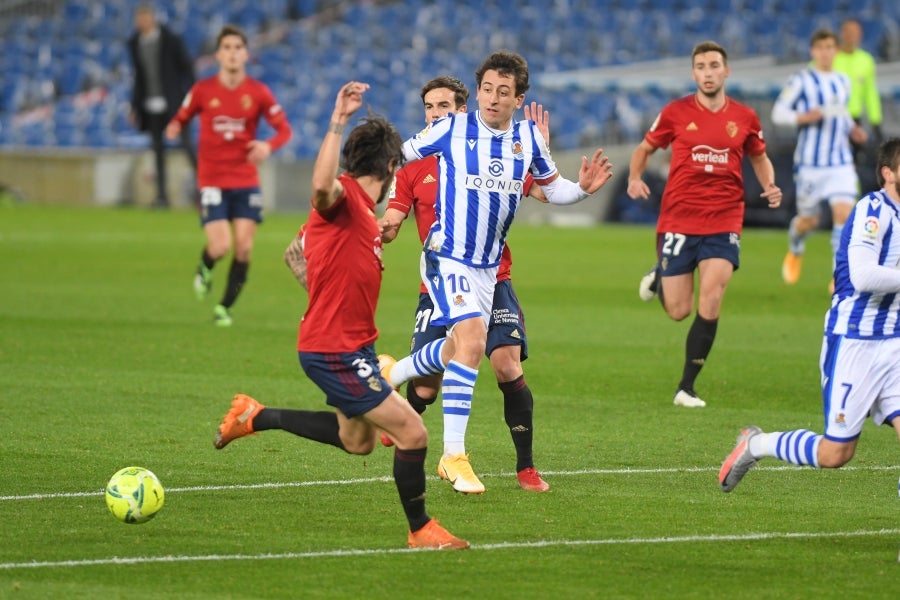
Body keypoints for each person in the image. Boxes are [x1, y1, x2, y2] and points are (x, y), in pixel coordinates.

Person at [214, 81, 469, 550]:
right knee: (412, 432)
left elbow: (296, 253)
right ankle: (421, 530)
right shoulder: (346, 197)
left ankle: (254, 415)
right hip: (333, 350)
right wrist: (337, 121)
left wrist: (330, 289)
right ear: (392, 166)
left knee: (358, 442)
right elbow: (319, 188)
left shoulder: (363, 217)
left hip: (352, 346)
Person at [378, 50, 612, 492]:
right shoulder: (450, 128)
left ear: (518, 99)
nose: (493, 98)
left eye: (503, 92)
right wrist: (358, 191)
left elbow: (551, 187)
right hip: (447, 255)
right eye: (487, 89)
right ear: (479, 91)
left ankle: (393, 374)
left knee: (453, 350)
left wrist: (582, 189)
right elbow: (397, 156)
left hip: (489, 268)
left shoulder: (528, 140)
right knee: (471, 341)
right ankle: (453, 456)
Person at [379, 75, 551, 494]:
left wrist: (541, 153)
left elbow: (547, 193)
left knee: (507, 364)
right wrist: (377, 230)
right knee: (427, 386)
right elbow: (393, 220)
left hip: (495, 276)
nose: (435, 114)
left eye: (444, 107)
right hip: (440, 280)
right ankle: (402, 411)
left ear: (463, 110)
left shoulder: (495, 148)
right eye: (429, 108)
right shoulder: (415, 168)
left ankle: (524, 467)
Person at [719, 137, 900, 493]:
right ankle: (757, 445)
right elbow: (863, 277)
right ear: (888, 173)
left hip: (895, 344)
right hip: (856, 341)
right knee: (835, 453)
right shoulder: (873, 211)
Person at [628, 40, 783, 408]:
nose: (708, 72)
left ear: (726, 71)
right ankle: (662, 276)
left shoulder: (745, 117)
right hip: (679, 218)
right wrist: (635, 177)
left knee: (712, 296)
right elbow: (644, 148)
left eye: (714, 65)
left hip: (725, 217)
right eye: (701, 66)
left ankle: (686, 387)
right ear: (693, 73)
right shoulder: (676, 112)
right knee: (679, 310)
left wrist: (770, 185)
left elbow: (759, 157)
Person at [166, 25, 292, 327]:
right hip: (211, 179)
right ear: (218, 54)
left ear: (246, 54)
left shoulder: (258, 92)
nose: (233, 53)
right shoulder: (202, 90)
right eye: (228, 47)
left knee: (245, 247)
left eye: (238, 47)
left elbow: (284, 130)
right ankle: (205, 264)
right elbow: (180, 118)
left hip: (246, 179)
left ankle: (224, 307)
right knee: (221, 246)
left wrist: (266, 145)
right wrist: (172, 128)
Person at [773, 28, 867, 291]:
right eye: (820, 47)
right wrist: (803, 117)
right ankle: (796, 245)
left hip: (840, 162)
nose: (825, 52)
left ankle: (839, 275)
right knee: (809, 222)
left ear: (836, 50)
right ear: (813, 51)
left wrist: (852, 129)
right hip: (811, 166)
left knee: (844, 214)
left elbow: (841, 113)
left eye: (830, 47)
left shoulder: (843, 81)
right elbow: (778, 113)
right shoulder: (801, 80)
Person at [128, 3, 196, 208]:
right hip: (150, 105)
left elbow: (187, 69)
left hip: (174, 104)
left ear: (153, 18)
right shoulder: (134, 43)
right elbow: (138, 77)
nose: (142, 23)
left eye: (145, 18)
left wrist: (190, 98)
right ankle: (161, 196)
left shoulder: (171, 40)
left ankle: (207, 190)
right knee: (158, 151)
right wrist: (135, 105)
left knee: (187, 146)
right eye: (139, 19)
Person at [834, 17, 883, 194]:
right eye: (848, 31)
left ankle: (851, 208)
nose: (851, 36)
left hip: (854, 121)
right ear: (842, 34)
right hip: (832, 120)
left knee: (852, 168)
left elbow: (870, 93)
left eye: (855, 32)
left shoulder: (866, 60)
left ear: (860, 35)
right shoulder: (831, 58)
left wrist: (876, 121)